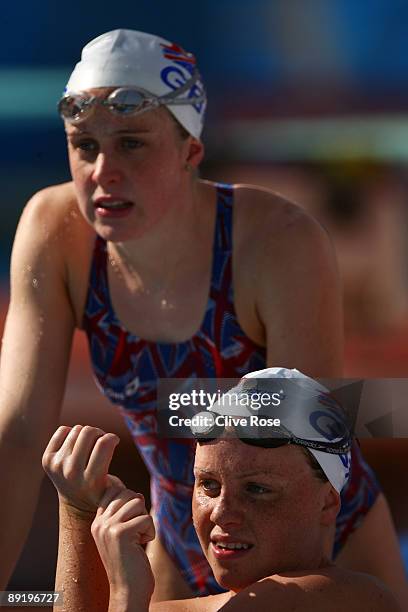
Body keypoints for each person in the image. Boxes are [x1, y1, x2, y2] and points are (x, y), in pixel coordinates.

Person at [0, 28, 405, 601]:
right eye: (84, 144)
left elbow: (300, 458)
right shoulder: (55, 231)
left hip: (315, 533)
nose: (102, 171)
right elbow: (15, 437)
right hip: (189, 527)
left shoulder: (277, 241)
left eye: (132, 143)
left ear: (191, 150)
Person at [42, 369, 401, 611]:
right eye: (209, 485)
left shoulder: (339, 598)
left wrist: (125, 594)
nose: (220, 511)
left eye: (258, 489)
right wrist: (78, 512)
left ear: (327, 504)